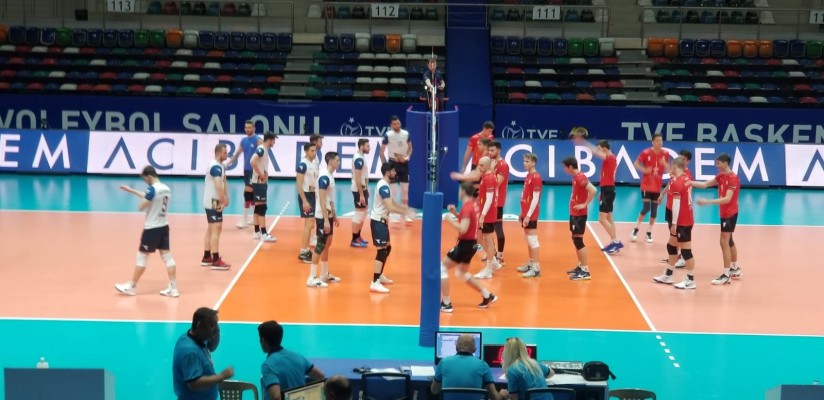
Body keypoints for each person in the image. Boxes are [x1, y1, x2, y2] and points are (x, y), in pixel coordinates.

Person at [115, 166, 179, 297]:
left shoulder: (152, 189)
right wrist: (131, 190)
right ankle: (174, 288)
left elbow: (141, 206)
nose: (145, 182)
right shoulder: (166, 188)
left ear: (149, 176)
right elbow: (150, 196)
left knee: (142, 256)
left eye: (145, 179)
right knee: (167, 257)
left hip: (151, 228)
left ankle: (131, 287)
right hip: (164, 226)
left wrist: (143, 203)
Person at [439, 182, 499, 313]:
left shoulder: (467, 208)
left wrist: (449, 220)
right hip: (472, 245)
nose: (458, 192)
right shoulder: (473, 205)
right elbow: (468, 220)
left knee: (441, 269)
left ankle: (446, 303)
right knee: (461, 273)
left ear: (463, 191)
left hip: (464, 245)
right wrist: (455, 213)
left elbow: (463, 228)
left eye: (460, 190)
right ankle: (487, 295)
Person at [692, 153, 742, 285]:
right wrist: (689, 183)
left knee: (723, 242)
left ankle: (726, 275)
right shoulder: (721, 176)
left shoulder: (733, 178)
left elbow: (727, 199)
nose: (716, 165)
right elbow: (705, 185)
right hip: (724, 213)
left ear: (725, 163)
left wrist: (707, 202)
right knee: (729, 241)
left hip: (730, 213)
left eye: (718, 163)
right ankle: (735, 268)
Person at [451, 157, 502, 279]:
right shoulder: (486, 176)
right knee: (479, 238)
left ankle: (489, 269)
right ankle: (494, 262)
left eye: (482, 165)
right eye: (479, 165)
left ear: (488, 166)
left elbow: (489, 199)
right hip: (485, 212)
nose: (479, 167)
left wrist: (483, 215)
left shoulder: (489, 178)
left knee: (488, 240)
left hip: (488, 214)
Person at [653, 157, 697, 289]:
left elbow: (676, 204)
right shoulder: (684, 178)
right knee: (671, 246)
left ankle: (690, 280)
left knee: (686, 252)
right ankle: (668, 274)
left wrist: (674, 224)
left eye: (672, 166)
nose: (670, 168)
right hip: (684, 219)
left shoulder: (679, 182)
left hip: (683, 221)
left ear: (676, 167)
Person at [172, 307, 234, 400]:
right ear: (199, 325)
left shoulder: (191, 337)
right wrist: (221, 376)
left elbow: (212, 347)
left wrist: (216, 330)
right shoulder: (190, 352)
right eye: (212, 325)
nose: (216, 328)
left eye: (217, 324)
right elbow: (194, 383)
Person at [576, 137, 623, 254]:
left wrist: (583, 142)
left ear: (605, 149)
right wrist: (602, 192)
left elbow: (596, 153)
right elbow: (608, 177)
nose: (597, 151)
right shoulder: (610, 159)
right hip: (607, 190)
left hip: (608, 190)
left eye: (599, 149)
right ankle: (614, 242)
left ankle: (616, 241)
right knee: (609, 217)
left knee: (601, 219)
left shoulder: (610, 158)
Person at [258, 320, 325, 400]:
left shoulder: (268, 366)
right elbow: (320, 376)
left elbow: (276, 397)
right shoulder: (297, 356)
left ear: (263, 341)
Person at [368, 163, 408, 293]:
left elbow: (393, 202)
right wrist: (404, 213)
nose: (395, 173)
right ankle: (374, 282)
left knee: (387, 248)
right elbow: (390, 207)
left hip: (383, 222)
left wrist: (405, 208)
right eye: (393, 171)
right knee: (381, 251)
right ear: (387, 172)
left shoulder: (386, 185)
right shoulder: (383, 186)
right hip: (378, 222)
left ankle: (379, 275)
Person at [307, 152, 342, 288]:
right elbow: (322, 199)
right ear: (331, 161)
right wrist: (326, 220)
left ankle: (324, 274)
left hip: (329, 215)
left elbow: (330, 198)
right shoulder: (324, 177)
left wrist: (335, 215)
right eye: (337, 160)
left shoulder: (330, 177)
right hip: (322, 216)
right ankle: (311, 278)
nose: (339, 162)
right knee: (320, 245)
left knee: (327, 244)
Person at [431, 334, 501, 400]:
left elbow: (434, 390)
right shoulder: (483, 365)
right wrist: (502, 395)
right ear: (475, 349)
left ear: (456, 347)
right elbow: (494, 397)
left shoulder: (443, 362)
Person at [562, 157, 597, 281]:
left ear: (570, 167)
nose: (564, 170)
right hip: (574, 213)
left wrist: (585, 204)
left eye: (565, 167)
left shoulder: (580, 177)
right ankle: (581, 266)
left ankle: (585, 271)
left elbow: (593, 190)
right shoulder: (576, 177)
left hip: (579, 215)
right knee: (575, 239)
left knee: (578, 241)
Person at [632, 133, 670, 243]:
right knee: (646, 208)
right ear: (653, 142)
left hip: (657, 186)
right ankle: (635, 230)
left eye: (661, 140)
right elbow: (636, 164)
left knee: (654, 211)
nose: (660, 142)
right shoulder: (646, 152)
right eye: (658, 140)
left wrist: (665, 164)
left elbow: (668, 170)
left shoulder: (665, 154)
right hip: (646, 185)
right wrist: (644, 170)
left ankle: (648, 233)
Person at [659, 149, 693, 268]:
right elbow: (671, 182)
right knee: (672, 233)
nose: (680, 159)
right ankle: (674, 256)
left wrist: (665, 164)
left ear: (688, 161)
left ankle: (682, 258)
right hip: (670, 206)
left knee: (677, 235)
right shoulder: (677, 173)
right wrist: (662, 194)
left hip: (678, 210)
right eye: (679, 157)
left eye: (683, 158)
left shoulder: (686, 175)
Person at [226, 120, 261, 229]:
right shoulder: (243, 141)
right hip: (246, 170)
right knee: (251, 195)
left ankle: (244, 220)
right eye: (246, 127)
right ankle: (254, 218)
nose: (247, 129)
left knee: (247, 194)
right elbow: (237, 155)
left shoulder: (258, 140)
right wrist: (227, 163)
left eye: (249, 128)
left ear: (254, 128)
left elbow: (262, 155)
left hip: (254, 171)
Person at [201, 144, 231, 270]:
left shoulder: (221, 166)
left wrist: (226, 197)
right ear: (219, 153)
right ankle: (215, 260)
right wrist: (223, 201)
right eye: (225, 153)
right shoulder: (215, 167)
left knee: (211, 228)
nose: (227, 155)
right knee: (216, 229)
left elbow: (224, 181)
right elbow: (218, 185)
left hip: (214, 200)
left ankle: (207, 256)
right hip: (213, 201)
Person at [379, 115, 414, 223]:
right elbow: (381, 152)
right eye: (394, 124)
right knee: (393, 191)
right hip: (392, 163)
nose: (397, 125)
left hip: (404, 164)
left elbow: (410, 148)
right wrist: (385, 166)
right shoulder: (388, 135)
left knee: (405, 190)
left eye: (398, 123)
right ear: (391, 125)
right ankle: (393, 214)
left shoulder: (406, 134)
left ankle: (405, 214)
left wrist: (407, 157)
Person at [516, 153, 543, 278]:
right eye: (524, 161)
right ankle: (531, 263)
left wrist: (528, 216)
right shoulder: (528, 176)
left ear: (533, 163)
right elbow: (526, 195)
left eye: (527, 161)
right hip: (525, 212)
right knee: (528, 238)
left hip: (531, 214)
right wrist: (522, 212)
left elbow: (535, 199)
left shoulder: (536, 177)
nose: (524, 163)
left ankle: (536, 269)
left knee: (532, 239)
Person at [250, 132, 278, 243]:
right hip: (259, 182)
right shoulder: (261, 149)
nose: (274, 142)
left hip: (259, 182)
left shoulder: (264, 150)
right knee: (262, 206)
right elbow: (252, 161)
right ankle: (264, 233)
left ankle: (257, 232)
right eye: (274, 140)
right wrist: (261, 174)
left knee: (258, 206)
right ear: (269, 140)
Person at [296, 142, 319, 263]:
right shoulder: (303, 164)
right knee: (309, 224)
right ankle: (303, 251)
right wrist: (304, 200)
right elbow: (299, 183)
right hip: (306, 195)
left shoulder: (313, 163)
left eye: (315, 150)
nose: (314, 153)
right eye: (312, 151)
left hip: (312, 194)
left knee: (310, 224)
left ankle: (305, 250)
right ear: (306, 151)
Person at [489, 141, 509, 266]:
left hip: (498, 202)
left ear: (499, 150)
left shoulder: (503, 165)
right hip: (489, 201)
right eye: (489, 150)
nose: (490, 152)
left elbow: (496, 183)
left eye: (493, 150)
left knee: (498, 229)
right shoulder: (490, 162)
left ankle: (500, 256)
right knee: (487, 230)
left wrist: (491, 170)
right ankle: (492, 253)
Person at [351, 139, 370, 248]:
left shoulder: (361, 157)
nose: (369, 148)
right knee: (359, 213)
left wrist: (366, 189)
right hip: (359, 190)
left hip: (363, 188)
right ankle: (354, 239)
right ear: (361, 147)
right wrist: (361, 194)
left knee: (364, 211)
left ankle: (358, 236)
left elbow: (364, 176)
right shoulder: (358, 159)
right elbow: (357, 177)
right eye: (367, 146)